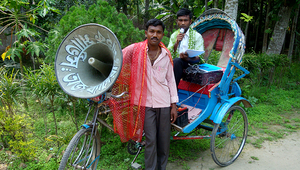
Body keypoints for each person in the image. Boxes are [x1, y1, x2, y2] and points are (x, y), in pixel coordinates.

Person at [110, 19, 178, 170]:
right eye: (152, 31)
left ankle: (161, 167)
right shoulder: (135, 50)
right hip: (144, 104)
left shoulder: (166, 55)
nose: (155, 35)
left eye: (158, 32)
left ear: (163, 35)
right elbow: (118, 59)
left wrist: (174, 105)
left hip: (164, 102)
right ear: (146, 33)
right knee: (151, 140)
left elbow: (171, 81)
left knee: (163, 140)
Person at [167, 8, 205, 88]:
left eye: (185, 20)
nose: (183, 23)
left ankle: (173, 92)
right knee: (175, 61)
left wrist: (187, 58)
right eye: (180, 20)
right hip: (177, 63)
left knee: (177, 61)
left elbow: (200, 58)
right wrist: (176, 42)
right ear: (177, 21)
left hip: (191, 63)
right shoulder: (174, 35)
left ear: (190, 21)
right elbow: (168, 54)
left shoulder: (197, 36)